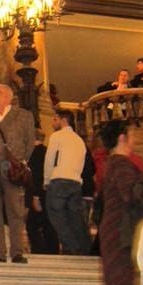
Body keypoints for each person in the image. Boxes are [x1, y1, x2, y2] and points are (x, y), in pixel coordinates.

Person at [73, 119, 143, 285]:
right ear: (123, 138)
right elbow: (132, 195)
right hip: (122, 235)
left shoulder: (112, 164)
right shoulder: (121, 165)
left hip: (118, 232)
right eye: (132, 134)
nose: (135, 138)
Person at [0, 84, 36, 263]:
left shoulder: (24, 116)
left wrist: (20, 161)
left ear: (9, 97)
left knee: (15, 211)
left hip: (13, 169)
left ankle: (17, 251)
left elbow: (30, 142)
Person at [44, 108, 91, 255]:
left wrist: (46, 179)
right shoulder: (79, 140)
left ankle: (70, 246)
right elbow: (82, 163)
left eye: (55, 119)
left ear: (64, 120)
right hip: (75, 182)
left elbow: (50, 159)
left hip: (59, 179)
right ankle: (83, 247)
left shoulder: (57, 136)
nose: (53, 123)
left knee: (56, 214)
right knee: (74, 217)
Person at [26, 129, 60, 255]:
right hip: (50, 191)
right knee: (48, 223)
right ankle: (52, 250)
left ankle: (39, 250)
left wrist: (35, 195)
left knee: (32, 225)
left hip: (38, 192)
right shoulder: (47, 152)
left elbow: (34, 176)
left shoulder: (32, 154)